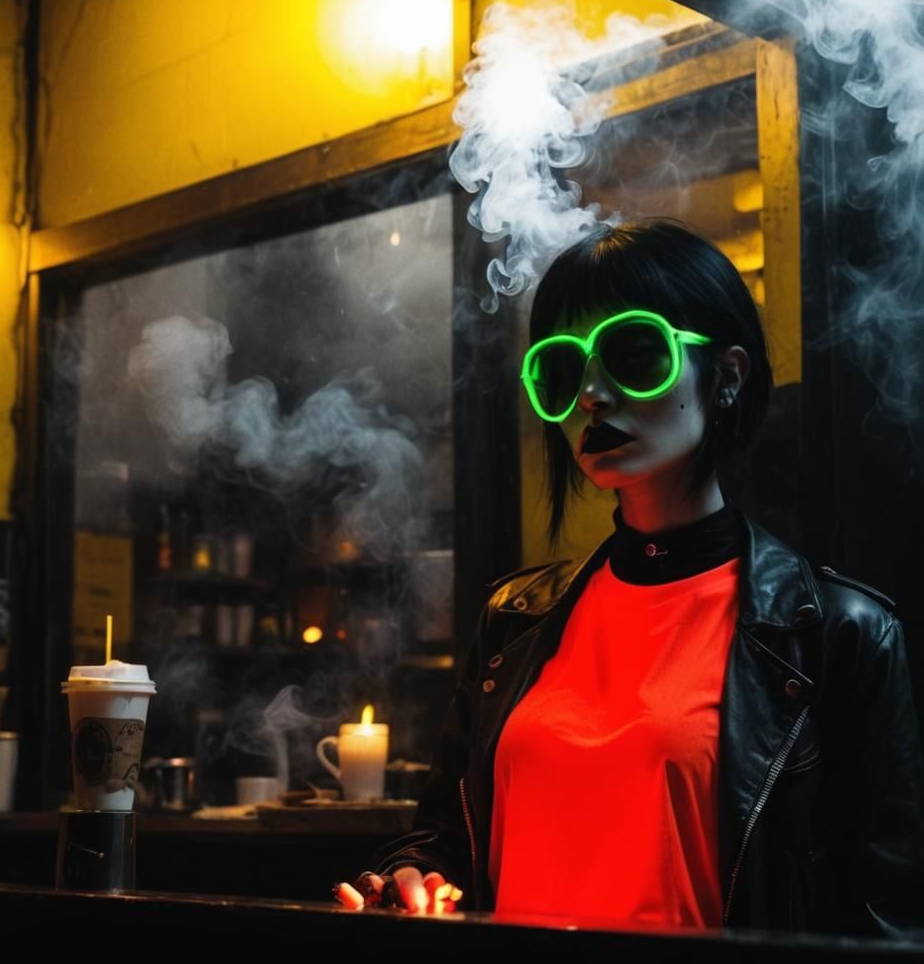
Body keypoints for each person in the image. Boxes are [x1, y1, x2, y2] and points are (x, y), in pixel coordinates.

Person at [335, 220, 924, 937]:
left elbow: (885, 920)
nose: (590, 394)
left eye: (634, 353)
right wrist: (414, 877)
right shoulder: (515, 620)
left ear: (727, 376)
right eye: (562, 370)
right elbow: (444, 841)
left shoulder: (836, 634)